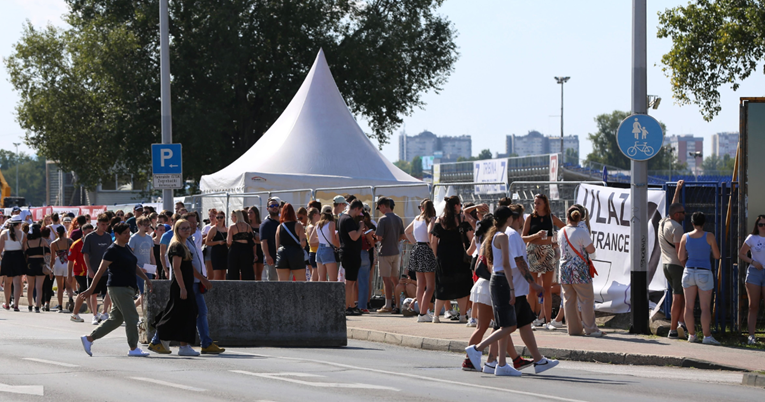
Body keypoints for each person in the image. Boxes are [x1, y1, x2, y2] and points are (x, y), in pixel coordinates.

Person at [79, 223, 153, 357]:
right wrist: (91, 289)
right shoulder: (112, 250)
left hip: (128, 288)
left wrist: (146, 279)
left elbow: (134, 266)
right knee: (132, 317)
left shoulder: (126, 248)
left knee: (116, 319)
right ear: (117, 234)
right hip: (118, 287)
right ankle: (133, 347)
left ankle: (89, 339)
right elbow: (100, 271)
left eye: (128, 232)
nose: (128, 235)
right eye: (124, 233)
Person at [148, 219, 201, 356]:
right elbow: (176, 268)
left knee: (184, 314)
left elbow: (189, 267)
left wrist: (203, 279)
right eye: (183, 228)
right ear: (177, 230)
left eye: (188, 228)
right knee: (179, 314)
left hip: (186, 285)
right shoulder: (176, 246)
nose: (187, 230)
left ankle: (172, 343)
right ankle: (166, 341)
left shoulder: (184, 245)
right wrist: (183, 288)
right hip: (180, 286)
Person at [558, 206, 603, 337]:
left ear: (567, 217)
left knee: (569, 300)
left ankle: (573, 329)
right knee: (586, 300)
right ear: (580, 218)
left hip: (564, 270)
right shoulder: (582, 232)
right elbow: (591, 250)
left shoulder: (561, 231)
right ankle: (591, 329)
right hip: (579, 270)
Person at [522, 193, 565, 327]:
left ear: (545, 204)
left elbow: (565, 228)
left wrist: (556, 240)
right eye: (535, 203)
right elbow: (523, 237)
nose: (536, 205)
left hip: (548, 252)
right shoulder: (530, 217)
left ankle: (547, 321)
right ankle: (530, 320)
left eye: (538, 203)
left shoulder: (551, 218)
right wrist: (536, 235)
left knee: (546, 288)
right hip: (534, 252)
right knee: (532, 288)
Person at [678, 211, 721, 345]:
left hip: (689, 271)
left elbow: (680, 257)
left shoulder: (685, 237)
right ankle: (707, 336)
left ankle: (691, 335)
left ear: (692, 223)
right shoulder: (709, 236)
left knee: (689, 307)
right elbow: (717, 255)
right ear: (704, 223)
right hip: (704, 272)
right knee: (705, 307)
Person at [430, 196, 473, 323]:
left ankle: (436, 316)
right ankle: (462, 316)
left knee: (442, 285)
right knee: (462, 286)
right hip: (459, 255)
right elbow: (470, 238)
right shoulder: (462, 219)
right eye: (460, 205)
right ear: (456, 206)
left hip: (443, 256)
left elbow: (433, 241)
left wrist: (437, 255)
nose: (460, 207)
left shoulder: (440, 219)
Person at [659, 180, 687, 339]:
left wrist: (677, 189)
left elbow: (673, 205)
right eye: (683, 212)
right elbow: (679, 252)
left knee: (680, 295)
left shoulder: (664, 222)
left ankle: (681, 323)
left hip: (666, 264)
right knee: (678, 297)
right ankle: (673, 329)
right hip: (676, 266)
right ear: (677, 215)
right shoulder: (677, 228)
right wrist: (686, 266)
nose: (685, 214)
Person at [405, 199, 438, 322]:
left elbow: (406, 232)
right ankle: (424, 312)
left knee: (420, 284)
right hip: (427, 250)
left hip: (417, 249)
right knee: (430, 285)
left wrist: (415, 242)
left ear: (422, 208)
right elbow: (430, 234)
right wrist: (430, 245)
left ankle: (422, 312)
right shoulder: (431, 219)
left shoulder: (417, 218)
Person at [82, 214, 115, 325]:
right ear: (97, 224)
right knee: (93, 294)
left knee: (108, 292)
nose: (104, 227)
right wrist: (89, 269)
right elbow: (85, 254)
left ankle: (104, 312)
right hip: (94, 271)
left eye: (106, 225)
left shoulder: (108, 237)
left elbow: (111, 252)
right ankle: (94, 315)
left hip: (106, 271)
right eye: (102, 224)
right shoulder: (90, 237)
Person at [374, 197, 405, 313]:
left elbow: (379, 238)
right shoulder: (398, 218)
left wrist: (374, 235)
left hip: (385, 252)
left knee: (386, 280)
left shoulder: (382, 220)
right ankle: (397, 304)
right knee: (395, 280)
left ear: (383, 206)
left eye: (379, 207)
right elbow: (402, 235)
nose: (380, 210)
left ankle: (388, 304)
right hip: (396, 252)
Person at [739, 214, 765, 345]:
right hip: (755, 272)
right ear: (757, 226)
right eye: (761, 224)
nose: (763, 227)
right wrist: (753, 262)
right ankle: (751, 335)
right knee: (753, 305)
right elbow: (741, 253)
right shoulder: (752, 238)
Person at [339, 200, 366, 315]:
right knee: (350, 283)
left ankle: (351, 305)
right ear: (356, 208)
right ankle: (346, 307)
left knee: (350, 282)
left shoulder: (342, 218)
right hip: (350, 254)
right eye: (359, 211)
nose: (359, 214)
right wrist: (360, 227)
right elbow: (354, 237)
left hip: (348, 253)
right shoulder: (348, 219)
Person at [128, 216, 156, 308]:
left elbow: (151, 255)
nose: (147, 227)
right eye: (145, 225)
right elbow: (130, 255)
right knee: (143, 292)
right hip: (138, 269)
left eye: (149, 225)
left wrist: (155, 269)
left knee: (148, 292)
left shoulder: (149, 238)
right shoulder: (134, 238)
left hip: (148, 269)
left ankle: (129, 309)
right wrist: (137, 268)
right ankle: (145, 317)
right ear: (139, 225)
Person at [275, 204, 307, 281]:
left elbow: (277, 246)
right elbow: (303, 243)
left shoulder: (279, 227)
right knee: (301, 282)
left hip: (282, 253)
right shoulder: (298, 225)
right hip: (295, 253)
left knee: (282, 283)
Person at [69, 224, 94, 322]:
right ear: (83, 233)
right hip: (80, 272)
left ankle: (94, 313)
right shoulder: (76, 244)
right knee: (84, 291)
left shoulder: (93, 242)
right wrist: (69, 275)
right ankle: (75, 314)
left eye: (92, 232)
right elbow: (70, 260)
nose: (91, 234)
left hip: (91, 271)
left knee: (91, 292)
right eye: (89, 232)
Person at [1, 216, 25, 311]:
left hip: (7, 257)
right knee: (17, 282)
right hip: (18, 257)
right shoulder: (23, 234)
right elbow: (25, 249)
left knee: (7, 282)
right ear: (19, 224)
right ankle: (16, 304)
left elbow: (0, 248)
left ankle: (7, 303)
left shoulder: (4, 233)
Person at [24, 224, 50, 313]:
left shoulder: (27, 242)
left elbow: (25, 255)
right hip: (40, 263)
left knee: (30, 286)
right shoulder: (42, 241)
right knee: (39, 287)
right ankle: (37, 306)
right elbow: (48, 252)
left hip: (30, 264)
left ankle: (30, 304)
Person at [50, 225, 73, 312]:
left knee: (60, 287)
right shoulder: (69, 241)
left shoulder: (53, 243)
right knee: (69, 286)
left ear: (57, 233)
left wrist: (50, 269)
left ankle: (60, 305)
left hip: (58, 263)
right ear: (64, 232)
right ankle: (70, 297)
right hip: (67, 263)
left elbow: (52, 258)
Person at [227, 210, 255, 280]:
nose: (231, 218)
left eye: (232, 216)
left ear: (236, 217)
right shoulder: (248, 226)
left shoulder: (232, 227)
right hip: (246, 249)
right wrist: (254, 254)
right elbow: (252, 241)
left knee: (233, 272)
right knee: (247, 272)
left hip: (235, 249)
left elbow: (229, 242)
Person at [315, 205, 340, 282]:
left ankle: (321, 294)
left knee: (321, 279)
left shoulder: (318, 224)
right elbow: (333, 240)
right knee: (333, 280)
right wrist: (340, 246)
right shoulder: (331, 223)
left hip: (319, 250)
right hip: (328, 250)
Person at [260, 198, 282, 281]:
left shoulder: (282, 222)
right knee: (273, 283)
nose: (274, 207)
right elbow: (263, 241)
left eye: (276, 205)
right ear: (267, 208)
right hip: (271, 259)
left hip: (283, 258)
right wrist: (267, 256)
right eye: (272, 206)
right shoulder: (265, 224)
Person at [205, 212, 228, 280]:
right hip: (216, 252)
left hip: (224, 252)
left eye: (221, 217)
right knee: (217, 275)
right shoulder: (213, 228)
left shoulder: (226, 229)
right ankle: (215, 290)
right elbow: (207, 242)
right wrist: (218, 242)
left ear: (224, 218)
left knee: (223, 275)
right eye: (217, 217)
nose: (219, 219)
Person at [247, 207, 264, 280]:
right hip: (250, 249)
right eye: (248, 213)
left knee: (259, 273)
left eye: (251, 213)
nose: (249, 214)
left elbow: (263, 239)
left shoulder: (261, 226)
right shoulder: (247, 226)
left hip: (260, 249)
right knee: (251, 272)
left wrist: (256, 240)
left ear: (256, 214)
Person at [306, 207, 320, 281]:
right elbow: (312, 242)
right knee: (315, 275)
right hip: (314, 252)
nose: (320, 215)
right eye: (319, 213)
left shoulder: (312, 226)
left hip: (314, 252)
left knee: (316, 274)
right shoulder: (311, 227)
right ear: (314, 215)